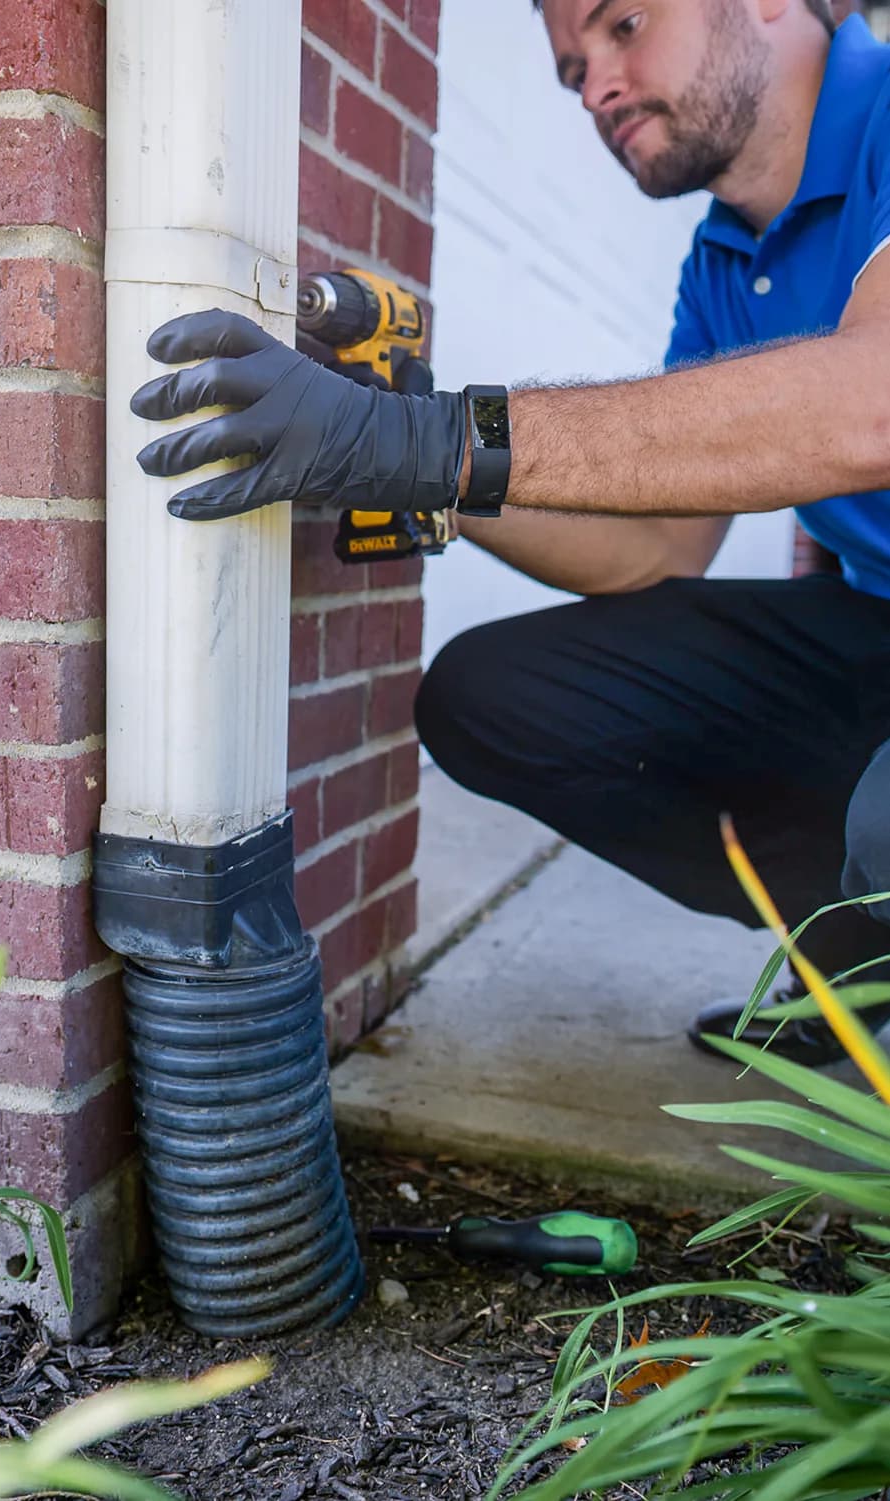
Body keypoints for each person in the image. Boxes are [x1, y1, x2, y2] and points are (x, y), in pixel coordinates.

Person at [130, 0, 890, 1068]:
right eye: (572, 70)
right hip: (869, 615)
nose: (593, 86)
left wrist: (439, 438)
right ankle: (854, 947)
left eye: (621, 25)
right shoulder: (722, 262)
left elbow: (872, 403)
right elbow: (663, 545)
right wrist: (407, 453)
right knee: (491, 699)